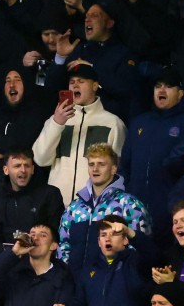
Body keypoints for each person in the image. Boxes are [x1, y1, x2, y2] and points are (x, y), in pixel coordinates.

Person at [120, 67, 184, 245]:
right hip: (135, 209)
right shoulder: (140, 122)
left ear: (180, 94)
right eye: (158, 86)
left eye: (168, 86)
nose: (161, 90)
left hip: (169, 210)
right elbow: (125, 164)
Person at [32, 62, 126, 203]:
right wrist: (57, 124)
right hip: (57, 206)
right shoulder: (57, 119)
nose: (75, 85)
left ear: (95, 86)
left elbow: (119, 170)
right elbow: (40, 159)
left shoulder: (113, 123)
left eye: (81, 81)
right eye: (72, 82)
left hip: (95, 207)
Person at [56, 143, 150, 274]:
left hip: (110, 285)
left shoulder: (129, 204)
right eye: (91, 164)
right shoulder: (74, 207)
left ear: (113, 169)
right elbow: (63, 245)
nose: (95, 169)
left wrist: (118, 278)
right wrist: (65, 276)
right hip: (74, 284)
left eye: (101, 164)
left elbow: (139, 248)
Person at [0, 149, 65, 255]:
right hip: (8, 264)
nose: (23, 170)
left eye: (27, 166)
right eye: (17, 166)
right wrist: (6, 260)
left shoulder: (50, 194)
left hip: (41, 261)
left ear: (32, 169)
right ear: (6, 170)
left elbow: (56, 235)